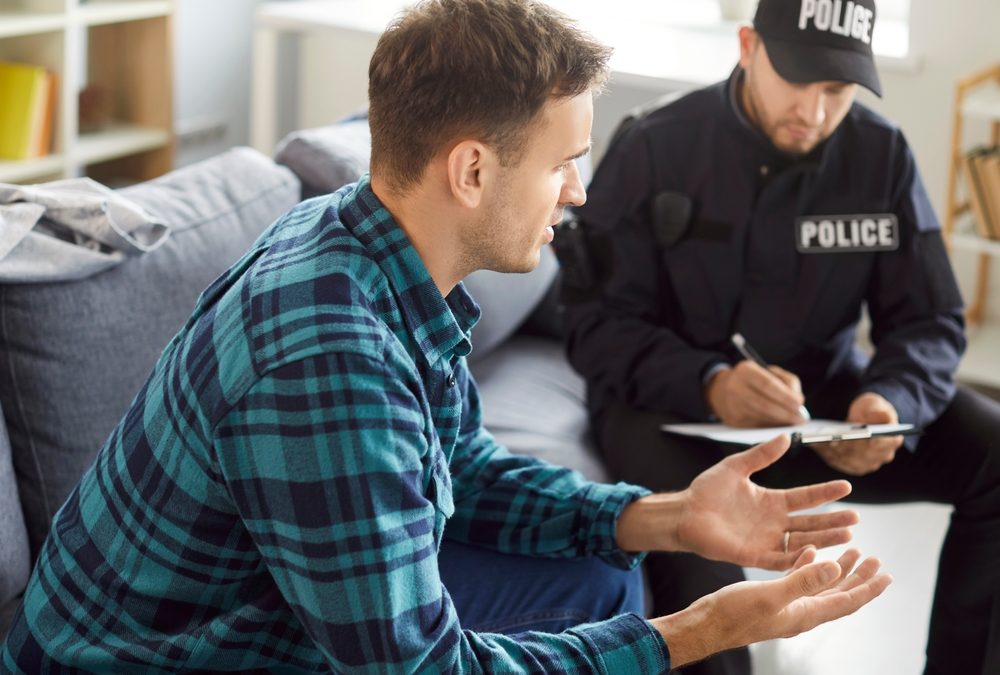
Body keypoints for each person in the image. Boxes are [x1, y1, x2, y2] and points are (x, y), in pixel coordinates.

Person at [1, 1, 890, 672]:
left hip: (269, 598)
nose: (578, 192)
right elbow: (421, 667)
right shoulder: (331, 356)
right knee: (616, 607)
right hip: (150, 657)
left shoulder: (368, 244)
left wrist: (664, 517)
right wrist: (710, 626)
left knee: (601, 574)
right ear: (472, 169)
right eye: (561, 162)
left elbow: (456, 463)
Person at [560, 0, 1000, 673]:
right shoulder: (655, 144)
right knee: (695, 541)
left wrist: (891, 403)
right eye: (798, 78)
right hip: (668, 416)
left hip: (823, 410)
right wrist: (709, 382)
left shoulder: (881, 154)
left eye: (838, 90)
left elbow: (929, 318)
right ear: (746, 46)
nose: (816, 111)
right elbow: (594, 327)